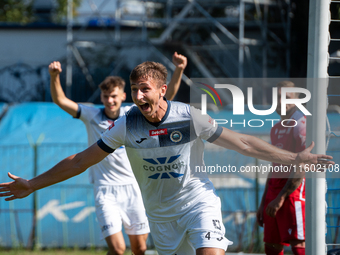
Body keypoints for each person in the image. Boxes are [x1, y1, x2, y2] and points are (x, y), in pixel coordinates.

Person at [0, 63, 334, 255]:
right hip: (161, 218)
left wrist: (294, 158)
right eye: (134, 90)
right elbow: (79, 161)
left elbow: (244, 143)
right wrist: (33, 184)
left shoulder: (189, 116)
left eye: (145, 89)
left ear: (163, 91)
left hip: (199, 204)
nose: (138, 96)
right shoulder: (126, 125)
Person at [47, 52, 187, 255]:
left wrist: (180, 70)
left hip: (134, 189)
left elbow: (166, 98)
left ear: (122, 96)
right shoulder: (91, 114)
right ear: (101, 97)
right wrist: (54, 76)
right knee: (118, 248)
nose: (110, 101)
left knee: (139, 249)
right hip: (105, 190)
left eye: (114, 96)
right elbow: (60, 100)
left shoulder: (132, 115)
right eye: (106, 96)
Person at [256, 81, 307, 255]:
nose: (281, 101)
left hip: (291, 195)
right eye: (278, 97)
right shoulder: (276, 128)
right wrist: (264, 200)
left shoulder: (301, 123)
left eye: (287, 97)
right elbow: (274, 165)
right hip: (273, 194)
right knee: (272, 246)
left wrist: (281, 197)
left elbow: (303, 165)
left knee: (298, 244)